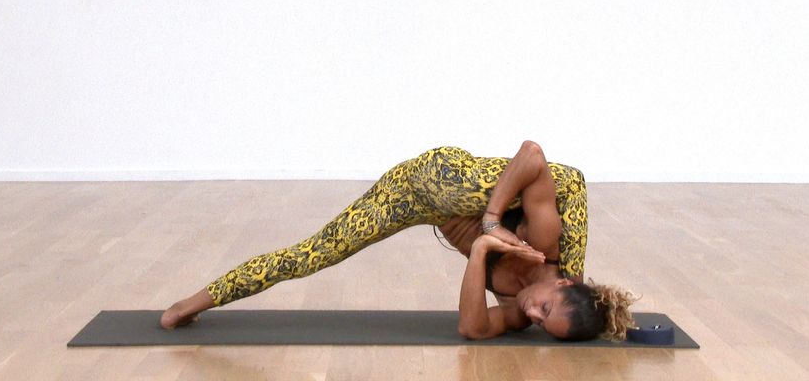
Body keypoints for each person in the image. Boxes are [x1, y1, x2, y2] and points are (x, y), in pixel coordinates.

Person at [160, 141, 635, 341]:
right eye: (544, 309)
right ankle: (190, 302)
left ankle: (196, 301)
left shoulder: (518, 307)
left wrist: (481, 253)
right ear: (565, 282)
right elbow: (532, 153)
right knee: (567, 180)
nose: (531, 315)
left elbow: (471, 328)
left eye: (538, 323)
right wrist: (491, 221)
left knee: (313, 254)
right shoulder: (547, 242)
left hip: (404, 198)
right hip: (446, 177)